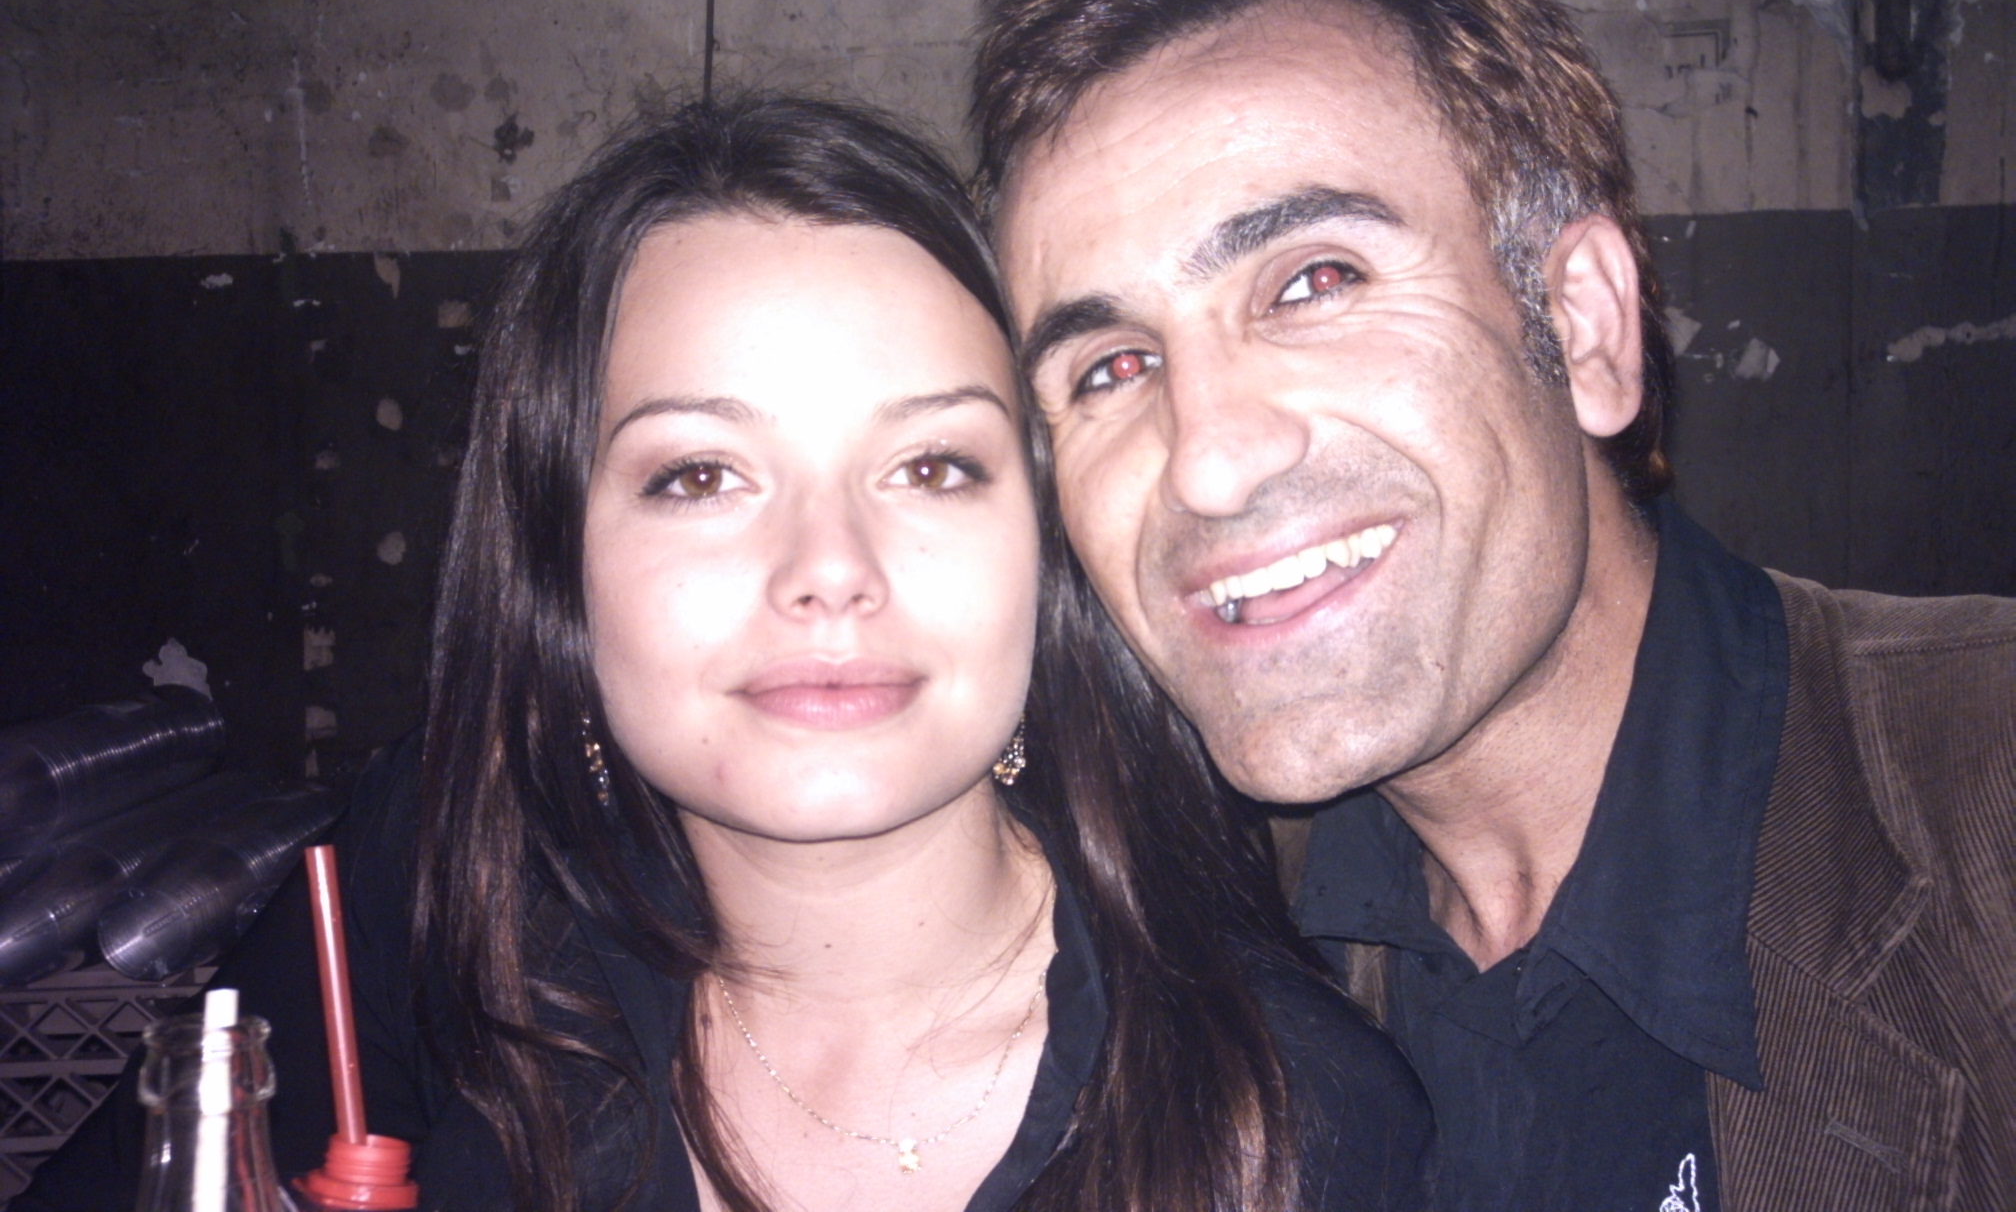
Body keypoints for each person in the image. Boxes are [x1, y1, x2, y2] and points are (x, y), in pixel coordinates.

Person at [20, 93, 1431, 1212]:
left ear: (1045, 551)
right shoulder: (447, 893)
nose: (830, 569)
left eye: (932, 466)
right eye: (699, 476)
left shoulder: (1293, 1122)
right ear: (560, 565)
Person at [969, 0, 2016, 1211]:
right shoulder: (1190, 951)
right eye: (1111, 367)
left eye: (1314, 282)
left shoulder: (1982, 804)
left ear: (1583, 327)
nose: (1210, 462)